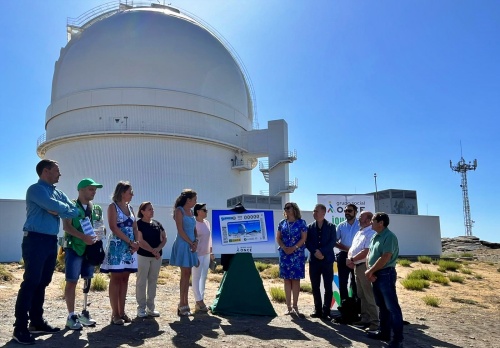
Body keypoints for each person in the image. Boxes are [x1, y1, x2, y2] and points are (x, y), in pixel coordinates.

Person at [13, 159, 79, 345]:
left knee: (43, 282)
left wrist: (57, 209)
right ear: (45, 171)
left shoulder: (57, 192)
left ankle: (36, 322)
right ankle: (19, 328)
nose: (60, 174)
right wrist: (58, 209)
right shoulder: (35, 190)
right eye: (57, 170)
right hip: (34, 239)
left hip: (50, 240)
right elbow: (59, 207)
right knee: (31, 281)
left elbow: (74, 211)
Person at [63, 178, 104, 330]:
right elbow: (66, 227)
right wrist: (83, 237)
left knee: (87, 279)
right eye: (90, 189)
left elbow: (100, 226)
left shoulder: (97, 209)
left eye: (94, 189)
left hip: (91, 249)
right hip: (75, 248)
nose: (94, 192)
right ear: (80, 190)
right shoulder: (70, 206)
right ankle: (71, 315)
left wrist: (100, 233)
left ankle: (84, 312)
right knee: (72, 280)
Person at [100, 181, 140, 325]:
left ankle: (122, 312)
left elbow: (135, 227)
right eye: (130, 191)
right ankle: (115, 314)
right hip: (117, 246)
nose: (132, 194)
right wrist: (130, 242)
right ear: (122, 192)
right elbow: (113, 227)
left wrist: (136, 243)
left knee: (125, 279)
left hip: (130, 248)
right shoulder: (113, 207)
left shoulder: (131, 208)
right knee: (116, 279)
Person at [365, 212, 404, 348]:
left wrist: (370, 271)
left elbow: (386, 257)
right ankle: (384, 333)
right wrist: (369, 270)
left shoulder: (390, 237)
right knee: (382, 306)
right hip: (376, 274)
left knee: (392, 307)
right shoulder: (375, 236)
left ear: (381, 223)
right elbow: (370, 254)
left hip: (386, 274)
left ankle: (397, 339)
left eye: (373, 220)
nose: (371, 222)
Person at [346, 211, 379, 332]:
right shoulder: (360, 232)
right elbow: (353, 248)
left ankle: (375, 322)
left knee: (369, 294)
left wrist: (353, 259)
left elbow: (366, 251)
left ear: (368, 220)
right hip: (357, 266)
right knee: (361, 294)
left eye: (361, 218)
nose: (359, 219)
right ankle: (365, 318)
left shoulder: (371, 232)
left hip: (365, 266)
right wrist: (351, 260)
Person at [170, 189, 199, 316]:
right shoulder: (179, 211)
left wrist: (196, 240)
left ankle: (184, 302)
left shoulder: (191, 212)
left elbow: (194, 229)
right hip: (183, 244)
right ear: (188, 200)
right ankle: (183, 303)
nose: (195, 202)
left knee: (188, 274)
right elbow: (180, 230)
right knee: (185, 273)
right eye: (194, 199)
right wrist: (190, 242)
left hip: (191, 244)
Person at [136, 201, 167, 318]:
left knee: (153, 281)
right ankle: (141, 308)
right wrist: (152, 250)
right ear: (142, 211)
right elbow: (140, 240)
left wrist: (158, 249)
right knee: (141, 282)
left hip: (156, 257)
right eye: (149, 209)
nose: (152, 211)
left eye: (152, 209)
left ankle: (151, 308)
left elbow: (164, 237)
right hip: (143, 256)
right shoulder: (139, 224)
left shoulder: (157, 223)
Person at [276, 202, 307, 317]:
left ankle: (295, 306)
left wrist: (294, 248)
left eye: (288, 208)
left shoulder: (301, 223)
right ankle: (288, 307)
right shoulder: (282, 223)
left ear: (294, 209)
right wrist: (284, 247)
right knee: (286, 280)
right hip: (285, 254)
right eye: (285, 208)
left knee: (295, 280)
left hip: (297, 254)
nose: (287, 210)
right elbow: (278, 238)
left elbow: (304, 238)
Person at [305, 203, 336, 320]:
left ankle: (326, 311)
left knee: (328, 286)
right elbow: (307, 242)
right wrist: (315, 252)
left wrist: (322, 252)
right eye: (313, 211)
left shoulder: (331, 226)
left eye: (316, 211)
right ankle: (317, 309)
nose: (314, 213)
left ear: (324, 212)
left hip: (327, 261)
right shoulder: (309, 227)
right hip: (314, 261)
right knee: (315, 285)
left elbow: (332, 242)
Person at [335, 204, 360, 305]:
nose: (347, 213)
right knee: (342, 282)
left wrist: (353, 250)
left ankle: (357, 307)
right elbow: (334, 241)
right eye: (345, 211)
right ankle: (344, 306)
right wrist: (347, 248)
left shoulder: (360, 225)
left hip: (358, 257)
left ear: (355, 212)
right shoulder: (341, 226)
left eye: (349, 211)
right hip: (343, 256)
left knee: (356, 283)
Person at [191, 203, 215, 312]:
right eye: (204, 210)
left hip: (206, 254)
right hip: (197, 254)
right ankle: (199, 301)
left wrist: (211, 252)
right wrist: (194, 253)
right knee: (196, 278)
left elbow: (209, 239)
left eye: (206, 210)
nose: (206, 212)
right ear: (198, 211)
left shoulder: (207, 223)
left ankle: (200, 300)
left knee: (203, 278)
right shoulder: (193, 223)